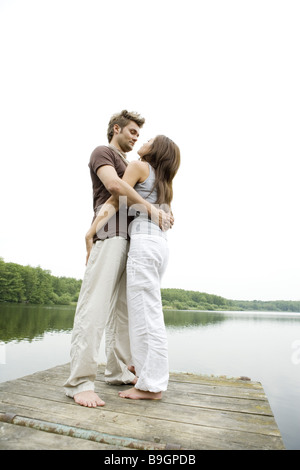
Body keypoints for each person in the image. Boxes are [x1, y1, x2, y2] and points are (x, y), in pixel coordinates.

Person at [64, 110, 173, 407]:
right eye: (133, 131)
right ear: (117, 129)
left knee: (122, 315)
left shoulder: (136, 166)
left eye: (141, 133)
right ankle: (80, 382)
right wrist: (91, 232)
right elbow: (114, 187)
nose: (137, 136)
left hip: (135, 243)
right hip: (110, 235)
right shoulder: (103, 153)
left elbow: (158, 202)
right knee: (94, 307)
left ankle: (117, 370)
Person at [85, 135, 180, 399]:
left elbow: (116, 196)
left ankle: (151, 386)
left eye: (149, 139)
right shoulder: (165, 182)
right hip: (160, 246)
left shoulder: (139, 166)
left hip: (144, 244)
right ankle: (144, 371)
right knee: (148, 311)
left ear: (155, 150)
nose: (143, 140)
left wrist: (92, 230)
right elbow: (168, 217)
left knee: (144, 314)